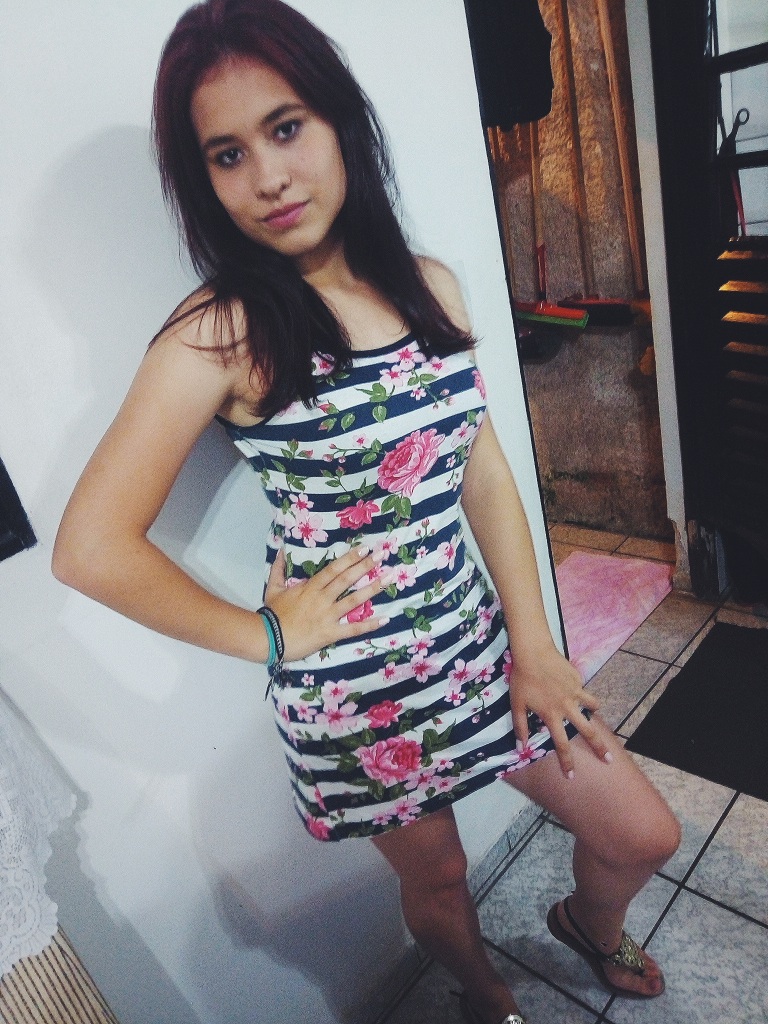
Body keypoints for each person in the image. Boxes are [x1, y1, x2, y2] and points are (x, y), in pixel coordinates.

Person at [52, 2, 681, 1022]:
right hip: (353, 689)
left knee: (642, 831)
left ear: (340, 120)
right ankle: (486, 994)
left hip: (481, 646)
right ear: (203, 179)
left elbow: (482, 475)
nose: (268, 177)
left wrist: (534, 640)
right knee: (438, 881)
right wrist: (264, 634)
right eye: (227, 154)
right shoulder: (221, 333)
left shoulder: (430, 286)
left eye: (286, 127)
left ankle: (587, 922)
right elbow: (89, 548)